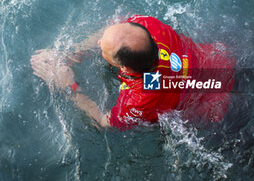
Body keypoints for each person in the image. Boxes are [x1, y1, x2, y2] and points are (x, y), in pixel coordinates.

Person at [31, 15, 236, 130]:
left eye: (103, 48)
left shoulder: (140, 97)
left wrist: (69, 86)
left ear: (125, 69)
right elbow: (117, 28)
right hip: (224, 60)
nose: (99, 42)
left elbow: (104, 121)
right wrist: (73, 54)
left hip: (220, 109)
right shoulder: (148, 25)